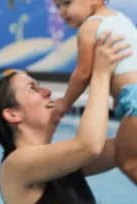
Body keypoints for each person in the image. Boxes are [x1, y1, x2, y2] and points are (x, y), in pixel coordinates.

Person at [0, 32, 130, 204]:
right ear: (13, 114)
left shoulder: (65, 159)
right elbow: (90, 146)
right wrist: (100, 75)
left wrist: (127, 101)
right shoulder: (15, 166)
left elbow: (127, 146)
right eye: (33, 89)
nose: (47, 92)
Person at [52, 0, 137, 183]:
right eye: (57, 6)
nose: (62, 12)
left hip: (135, 99)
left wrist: (63, 103)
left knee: (129, 162)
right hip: (132, 96)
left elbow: (83, 74)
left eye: (67, 3)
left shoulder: (90, 26)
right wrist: (118, 95)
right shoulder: (120, 18)